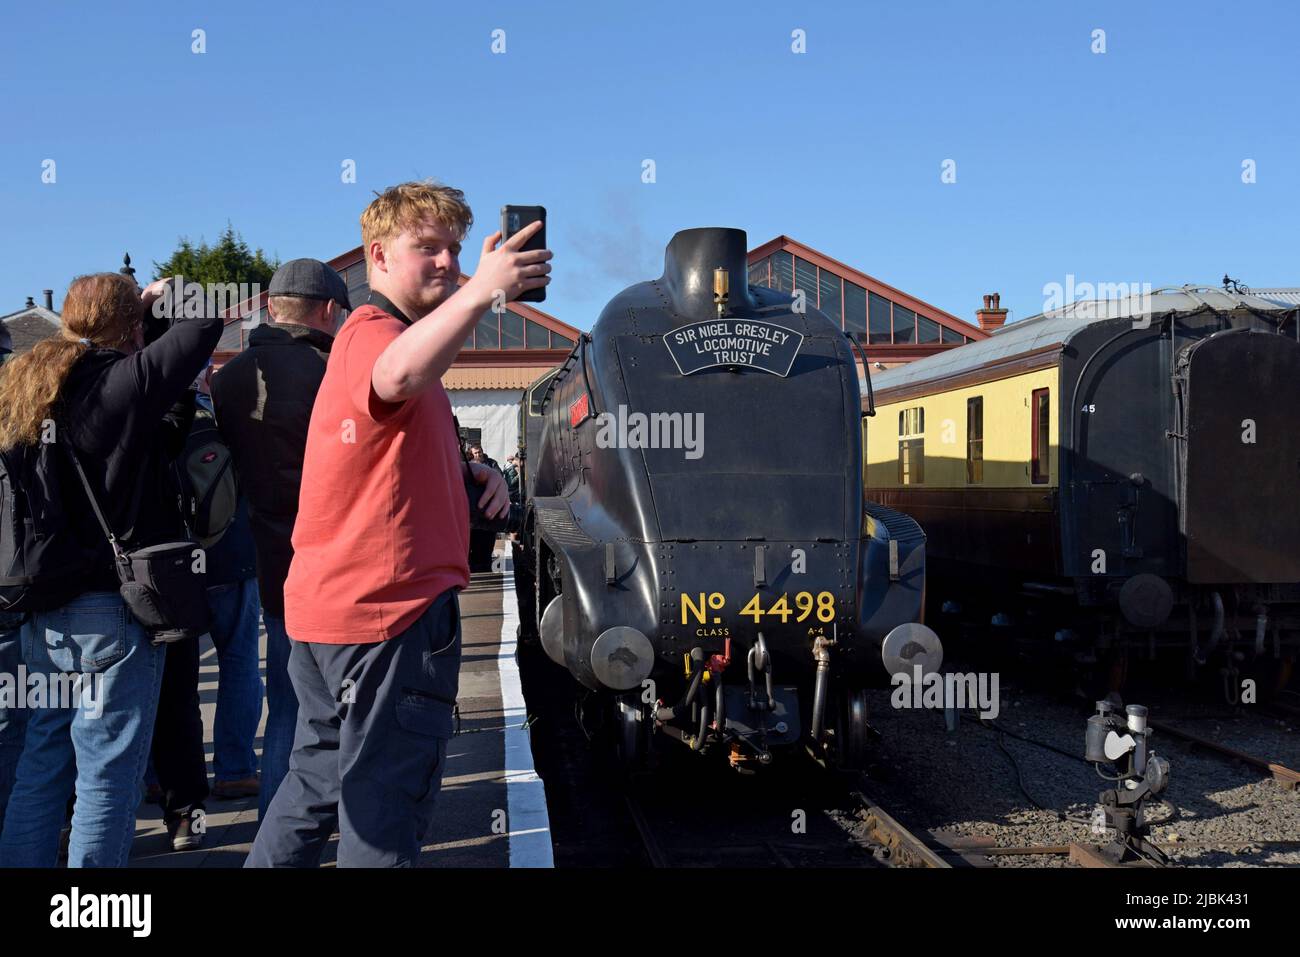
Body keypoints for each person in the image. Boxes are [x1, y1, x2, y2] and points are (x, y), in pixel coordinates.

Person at [246, 180, 549, 867]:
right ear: (377, 255)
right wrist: (483, 291)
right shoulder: (375, 336)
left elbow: (386, 452)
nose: (447, 261)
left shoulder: (389, 342)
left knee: (314, 788)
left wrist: (475, 476)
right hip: (388, 622)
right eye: (428, 248)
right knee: (384, 811)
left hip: (332, 616)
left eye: (455, 249)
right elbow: (396, 377)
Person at [0, 273, 220, 867]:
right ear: (128, 328)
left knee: (43, 765)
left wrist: (131, 315)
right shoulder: (118, 383)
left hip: (41, 606)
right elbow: (204, 326)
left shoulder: (25, 389)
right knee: (107, 773)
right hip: (111, 606)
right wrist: (155, 304)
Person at [211, 259, 348, 821]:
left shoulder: (229, 378)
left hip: (268, 560)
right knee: (344, 709)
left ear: (271, 307)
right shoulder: (332, 370)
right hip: (336, 561)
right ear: (329, 310)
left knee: (288, 703)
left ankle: (276, 823)